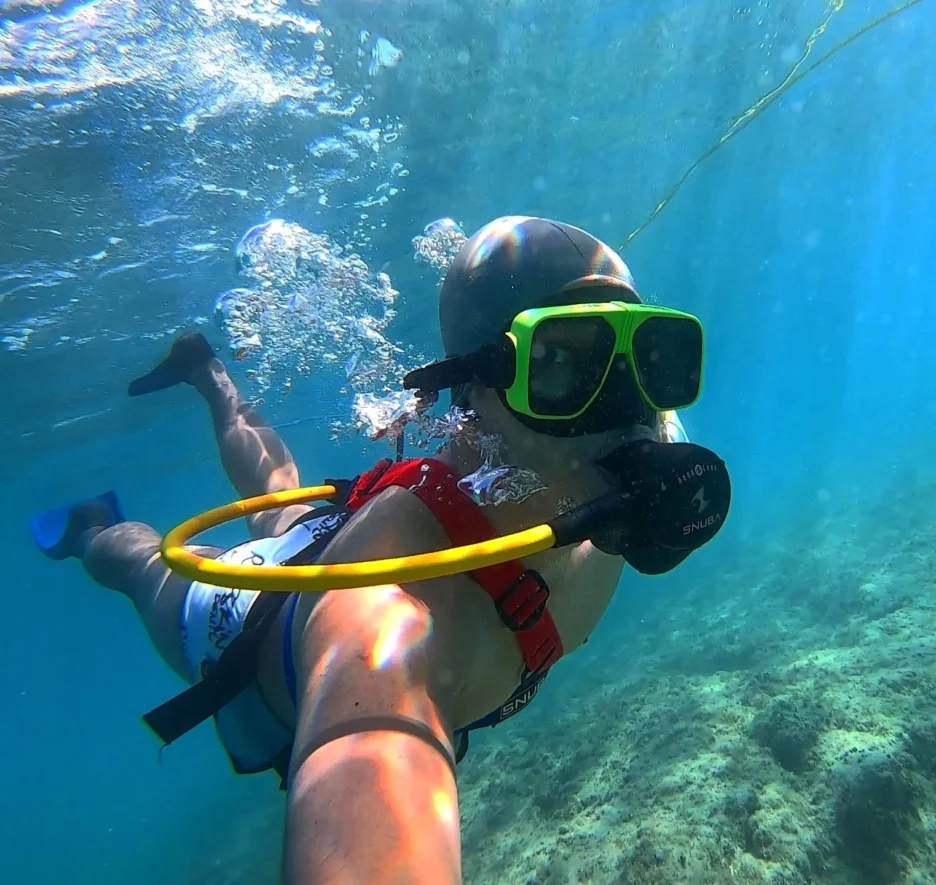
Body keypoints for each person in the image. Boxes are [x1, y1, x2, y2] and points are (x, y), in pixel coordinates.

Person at [31, 216, 730, 885]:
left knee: (289, 506)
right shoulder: (387, 624)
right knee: (141, 567)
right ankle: (92, 528)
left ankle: (208, 374)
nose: (633, 410)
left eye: (655, 358)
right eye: (564, 367)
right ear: (475, 397)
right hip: (248, 612)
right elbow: (364, 734)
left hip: (362, 534)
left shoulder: (621, 448)